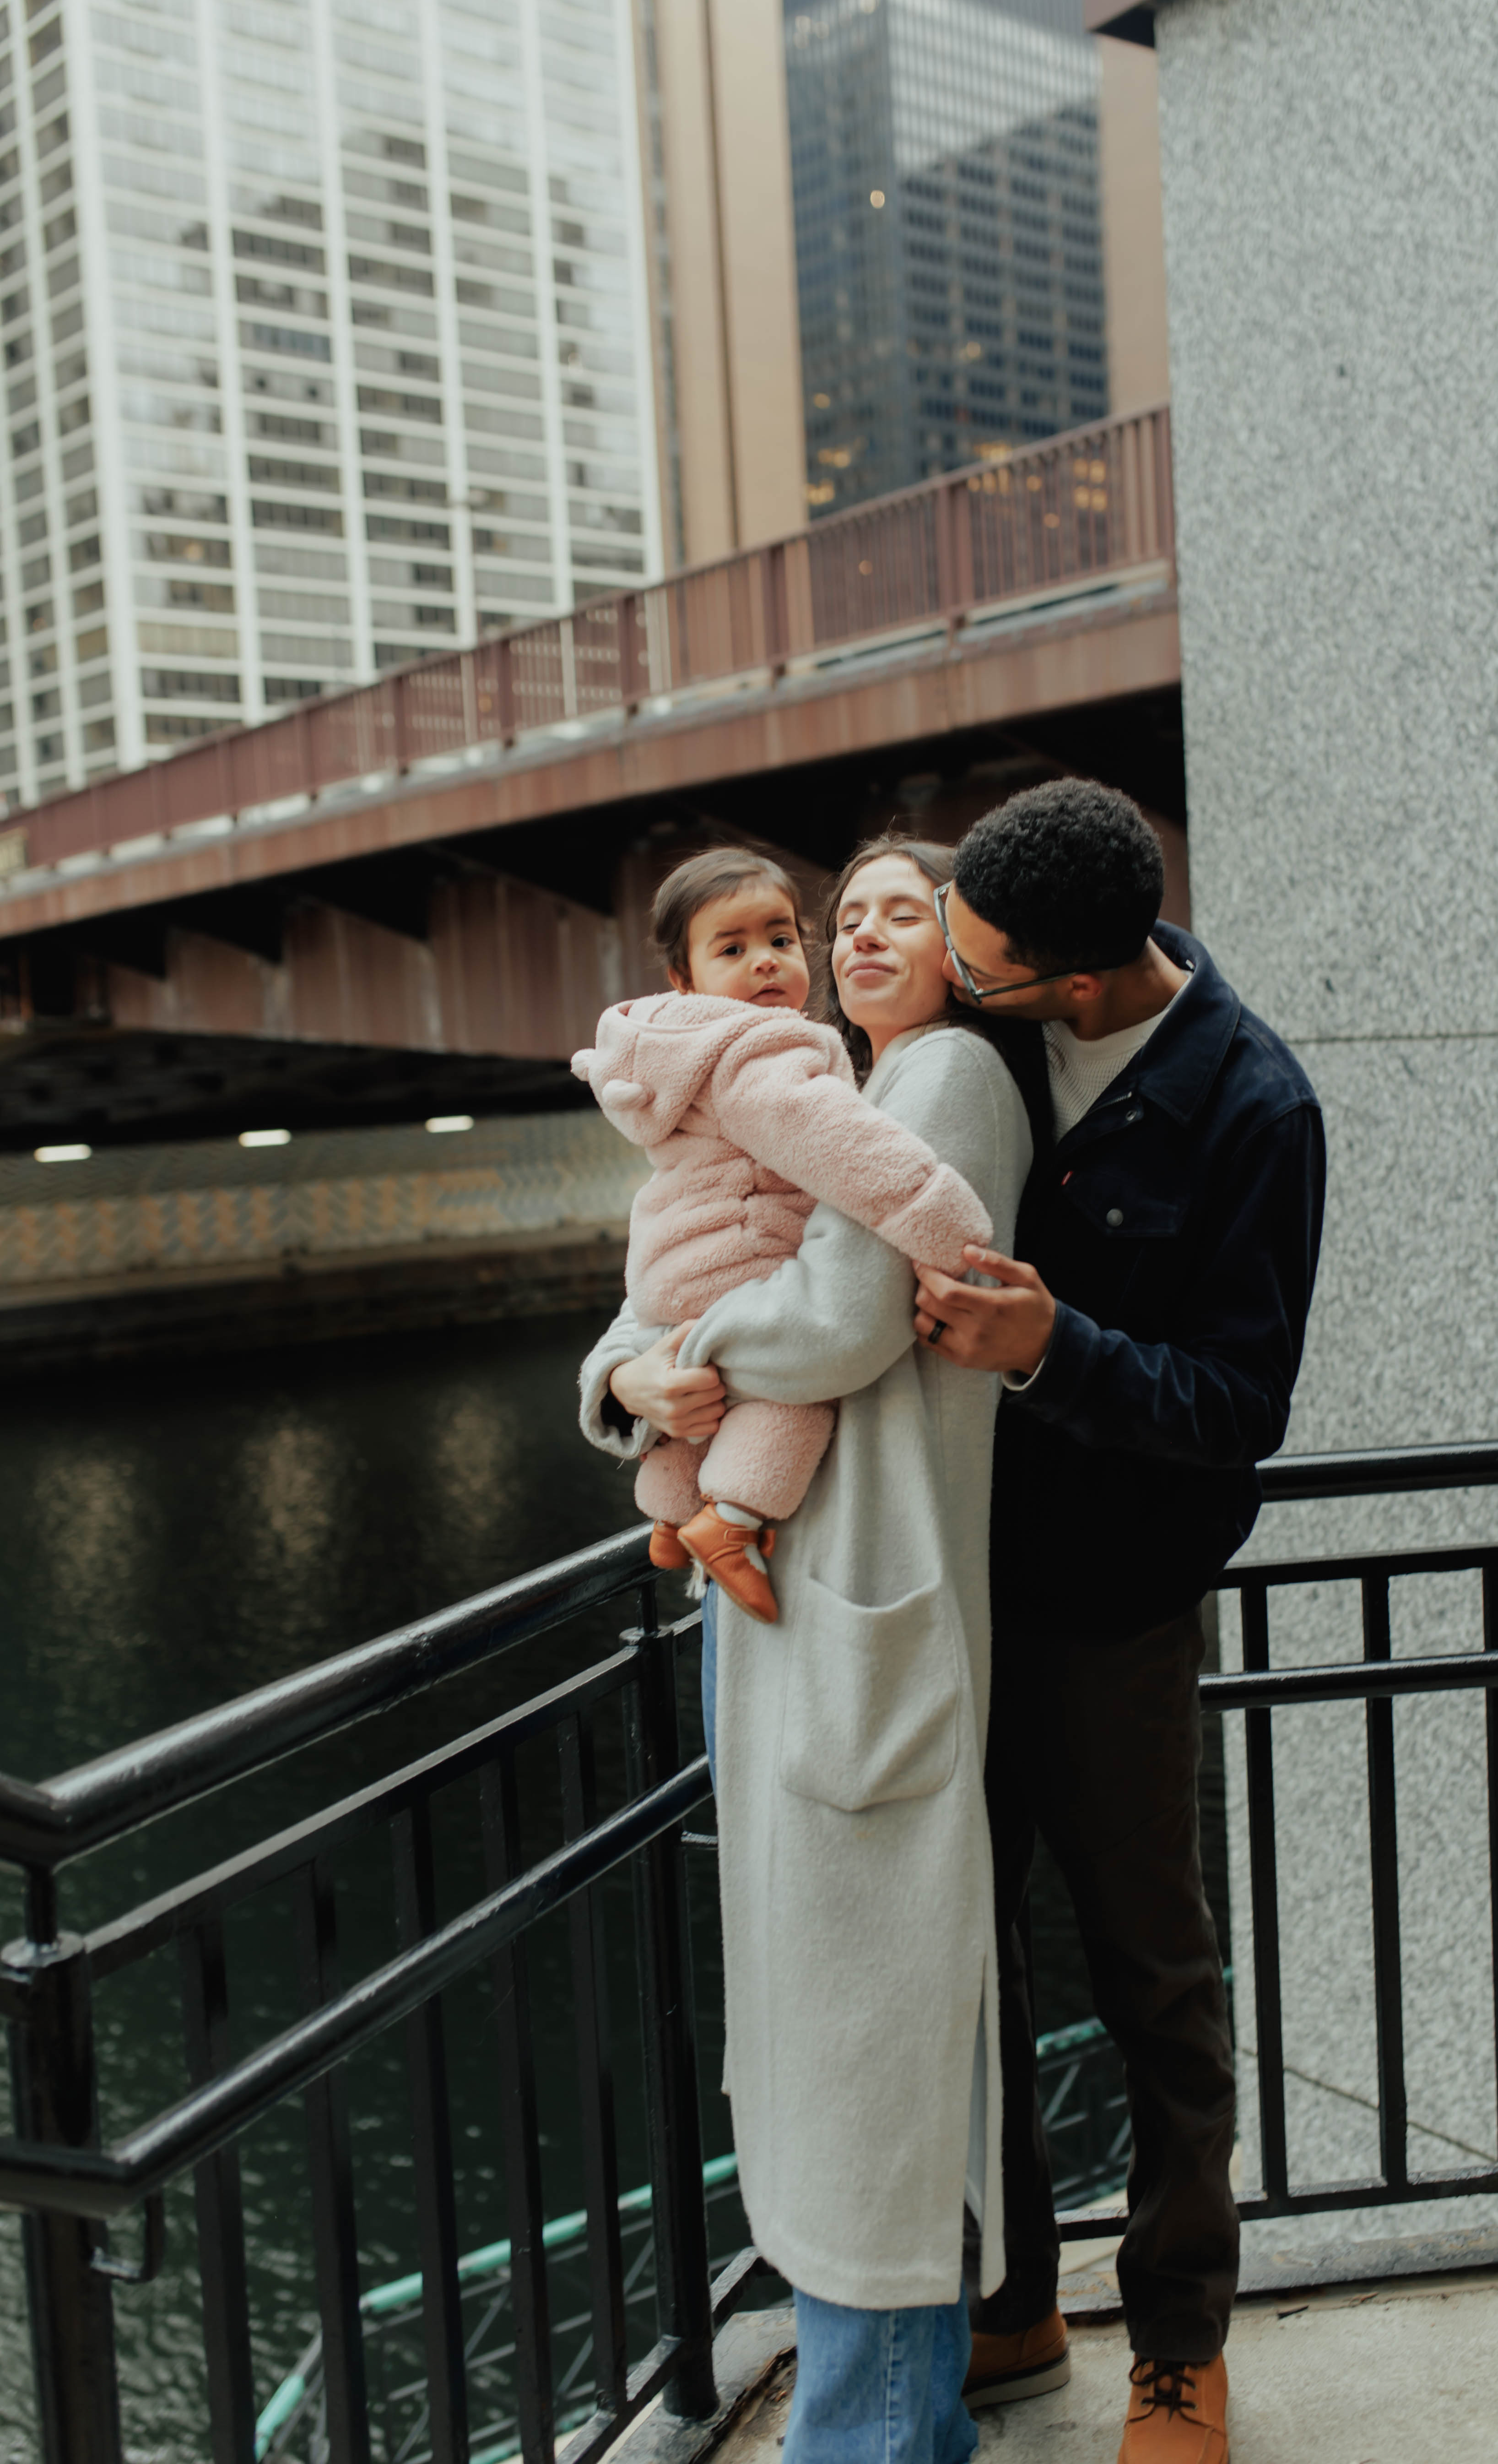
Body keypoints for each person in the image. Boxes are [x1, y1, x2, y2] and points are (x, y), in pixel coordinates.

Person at [578, 835, 1033, 2464]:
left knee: (865, 2057)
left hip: (860, 1614)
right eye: (839, 919)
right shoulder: (823, 1081)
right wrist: (628, 1380)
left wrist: (673, 1359)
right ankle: (891, 2421)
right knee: (823, 2036)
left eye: (898, 913)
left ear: (964, 946)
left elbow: (836, 1322)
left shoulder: (946, 1078)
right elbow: (670, 1269)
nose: (844, 943)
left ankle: (874, 2436)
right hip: (790, 1609)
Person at [911, 780, 1325, 2464]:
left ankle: (1177, 2346)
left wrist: (1049, 1350)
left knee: (1154, 1979)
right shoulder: (988, 1034)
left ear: (1076, 981)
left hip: (1115, 1616)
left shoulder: (1254, 1106)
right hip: (953, 1589)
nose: (952, 980)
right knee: (967, 1964)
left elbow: (1238, 1404)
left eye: (978, 966)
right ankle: (1012, 2299)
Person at [570, 847, 991, 1622]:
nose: (864, 937)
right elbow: (826, 1319)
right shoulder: (770, 1056)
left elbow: (820, 1324)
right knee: (794, 1405)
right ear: (684, 979)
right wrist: (626, 1379)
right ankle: (730, 1518)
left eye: (782, 939)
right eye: (849, 921)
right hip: (737, 1275)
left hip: (685, 1280)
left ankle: (671, 1518)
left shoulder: (932, 1071)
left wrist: (652, 1371)